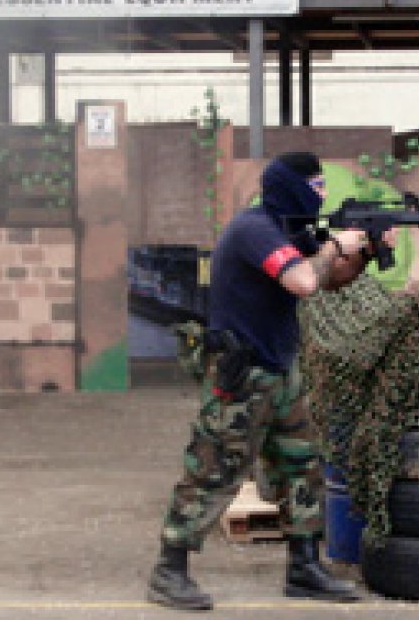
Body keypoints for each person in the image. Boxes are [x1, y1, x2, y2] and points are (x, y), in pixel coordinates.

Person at [147, 151, 394, 611]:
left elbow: (330, 279)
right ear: (290, 186)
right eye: (314, 186)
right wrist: (337, 245)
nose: (320, 194)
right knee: (214, 468)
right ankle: (169, 568)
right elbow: (303, 281)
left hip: (281, 370)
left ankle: (304, 567)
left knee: (302, 468)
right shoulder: (255, 229)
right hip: (241, 375)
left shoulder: (290, 230)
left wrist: (364, 250)